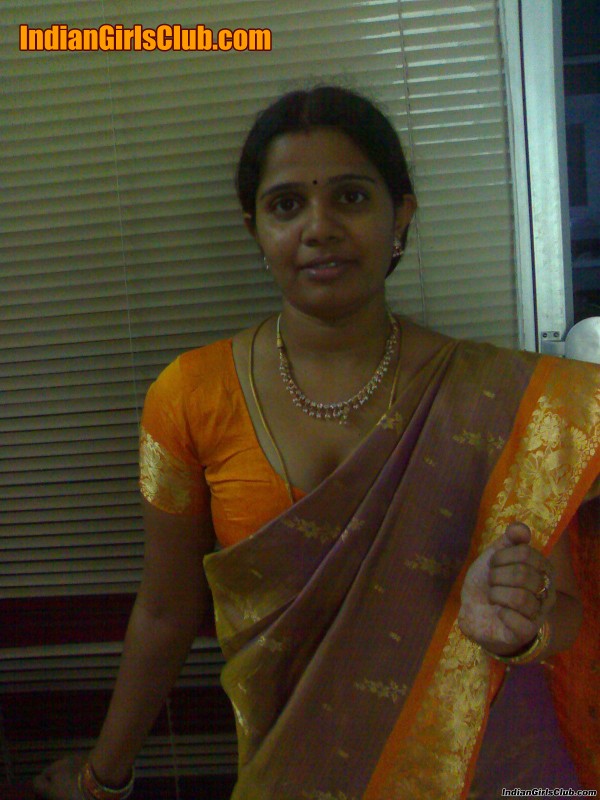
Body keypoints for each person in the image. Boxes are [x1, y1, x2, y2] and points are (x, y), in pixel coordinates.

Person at [33, 86, 599, 800]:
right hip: (294, 767)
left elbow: (562, 610)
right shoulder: (190, 397)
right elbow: (166, 611)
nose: (320, 227)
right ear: (255, 228)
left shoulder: (501, 399)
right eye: (287, 205)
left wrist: (521, 626)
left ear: (402, 214)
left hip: (484, 768)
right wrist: (103, 777)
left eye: (351, 198)